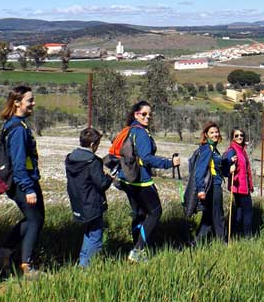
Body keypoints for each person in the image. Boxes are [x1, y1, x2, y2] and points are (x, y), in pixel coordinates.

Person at [0, 86, 44, 277]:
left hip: (22, 181)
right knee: (35, 220)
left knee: (34, 219)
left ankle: (3, 253)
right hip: (23, 183)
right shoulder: (18, 129)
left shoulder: (15, 125)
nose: (33, 103)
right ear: (17, 102)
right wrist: (28, 188)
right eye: (30, 100)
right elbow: (18, 162)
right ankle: (26, 266)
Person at [116, 101, 179, 262]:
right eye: (144, 114)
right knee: (155, 212)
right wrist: (169, 163)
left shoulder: (129, 130)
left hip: (128, 179)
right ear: (136, 114)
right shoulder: (141, 133)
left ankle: (136, 247)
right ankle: (137, 251)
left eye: (150, 114)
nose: (148, 117)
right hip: (141, 181)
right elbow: (147, 158)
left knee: (140, 214)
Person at [65, 127, 113, 267]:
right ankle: (87, 267)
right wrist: (109, 178)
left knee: (89, 232)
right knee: (95, 236)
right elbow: (101, 184)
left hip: (78, 202)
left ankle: (83, 262)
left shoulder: (70, 158)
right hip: (92, 203)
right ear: (93, 145)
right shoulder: (93, 161)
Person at [193, 122, 229, 242]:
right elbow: (200, 170)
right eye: (212, 133)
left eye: (216, 132)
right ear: (206, 135)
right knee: (218, 214)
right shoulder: (207, 149)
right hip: (213, 186)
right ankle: (222, 242)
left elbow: (218, 169)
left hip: (214, 184)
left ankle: (196, 243)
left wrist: (228, 165)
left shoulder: (214, 149)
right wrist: (201, 189)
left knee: (208, 216)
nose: (215, 134)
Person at [222, 129, 254, 237]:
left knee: (239, 211)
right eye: (236, 135)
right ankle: (248, 236)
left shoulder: (241, 149)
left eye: (241, 135)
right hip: (239, 186)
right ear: (232, 138)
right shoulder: (232, 150)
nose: (239, 137)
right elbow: (224, 164)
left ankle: (236, 233)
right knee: (248, 212)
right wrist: (229, 166)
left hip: (242, 186)